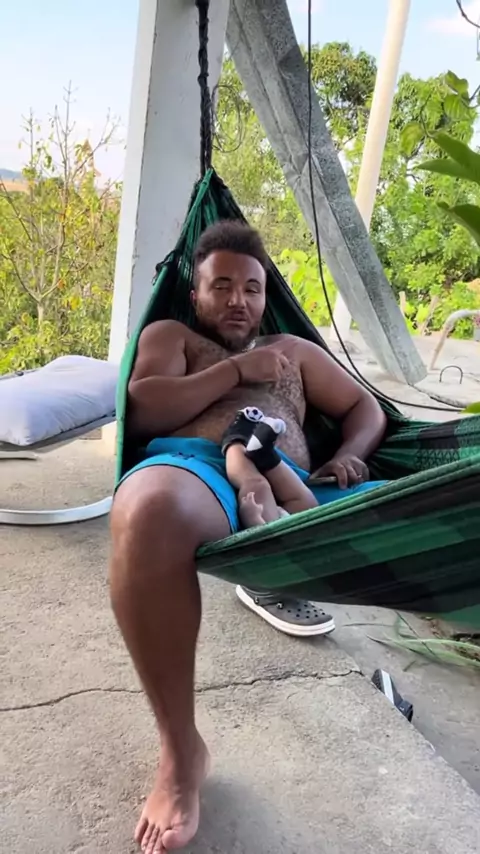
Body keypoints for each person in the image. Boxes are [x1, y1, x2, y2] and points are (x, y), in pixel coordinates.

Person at [109, 221, 387, 853]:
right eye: (222, 286)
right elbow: (144, 409)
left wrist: (351, 453)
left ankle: (275, 544)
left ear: (267, 296)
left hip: (300, 488)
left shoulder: (295, 351)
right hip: (197, 470)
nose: (238, 300)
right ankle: (181, 753)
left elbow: (365, 409)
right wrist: (237, 370)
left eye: (253, 289)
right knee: (146, 511)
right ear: (196, 293)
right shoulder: (172, 336)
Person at [222, 405, 319, 527]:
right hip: (294, 526)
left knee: (258, 485)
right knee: (307, 502)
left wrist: (253, 518)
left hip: (273, 528)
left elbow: (266, 536)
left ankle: (234, 441)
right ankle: (264, 454)